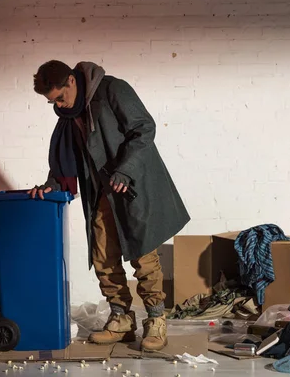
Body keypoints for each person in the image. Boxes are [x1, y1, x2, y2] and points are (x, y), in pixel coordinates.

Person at [28, 60, 190, 351]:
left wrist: (126, 169)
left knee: (143, 250)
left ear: (71, 81)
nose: (59, 106)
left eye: (60, 98)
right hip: (100, 189)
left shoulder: (113, 89)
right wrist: (53, 183)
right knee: (102, 254)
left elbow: (144, 129)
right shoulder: (69, 114)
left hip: (131, 183)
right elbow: (69, 155)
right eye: (52, 102)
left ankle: (155, 318)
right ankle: (121, 318)